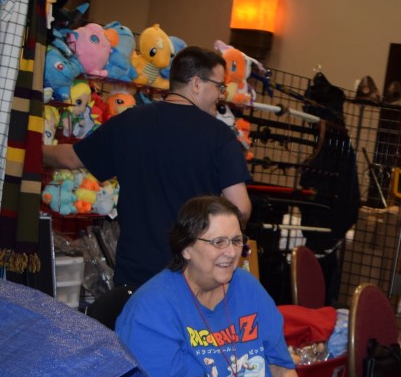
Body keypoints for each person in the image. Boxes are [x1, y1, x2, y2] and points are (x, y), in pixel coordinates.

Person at [44, 46, 253, 289]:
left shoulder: (129, 121)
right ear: (196, 84)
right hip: (192, 277)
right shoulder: (219, 136)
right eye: (219, 87)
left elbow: (70, 158)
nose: (221, 95)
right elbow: (240, 208)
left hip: (135, 274)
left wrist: (29, 146)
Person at [115, 196, 303, 377]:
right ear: (186, 248)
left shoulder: (249, 288)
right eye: (218, 242)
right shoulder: (152, 308)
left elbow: (281, 368)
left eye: (236, 241)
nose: (231, 252)